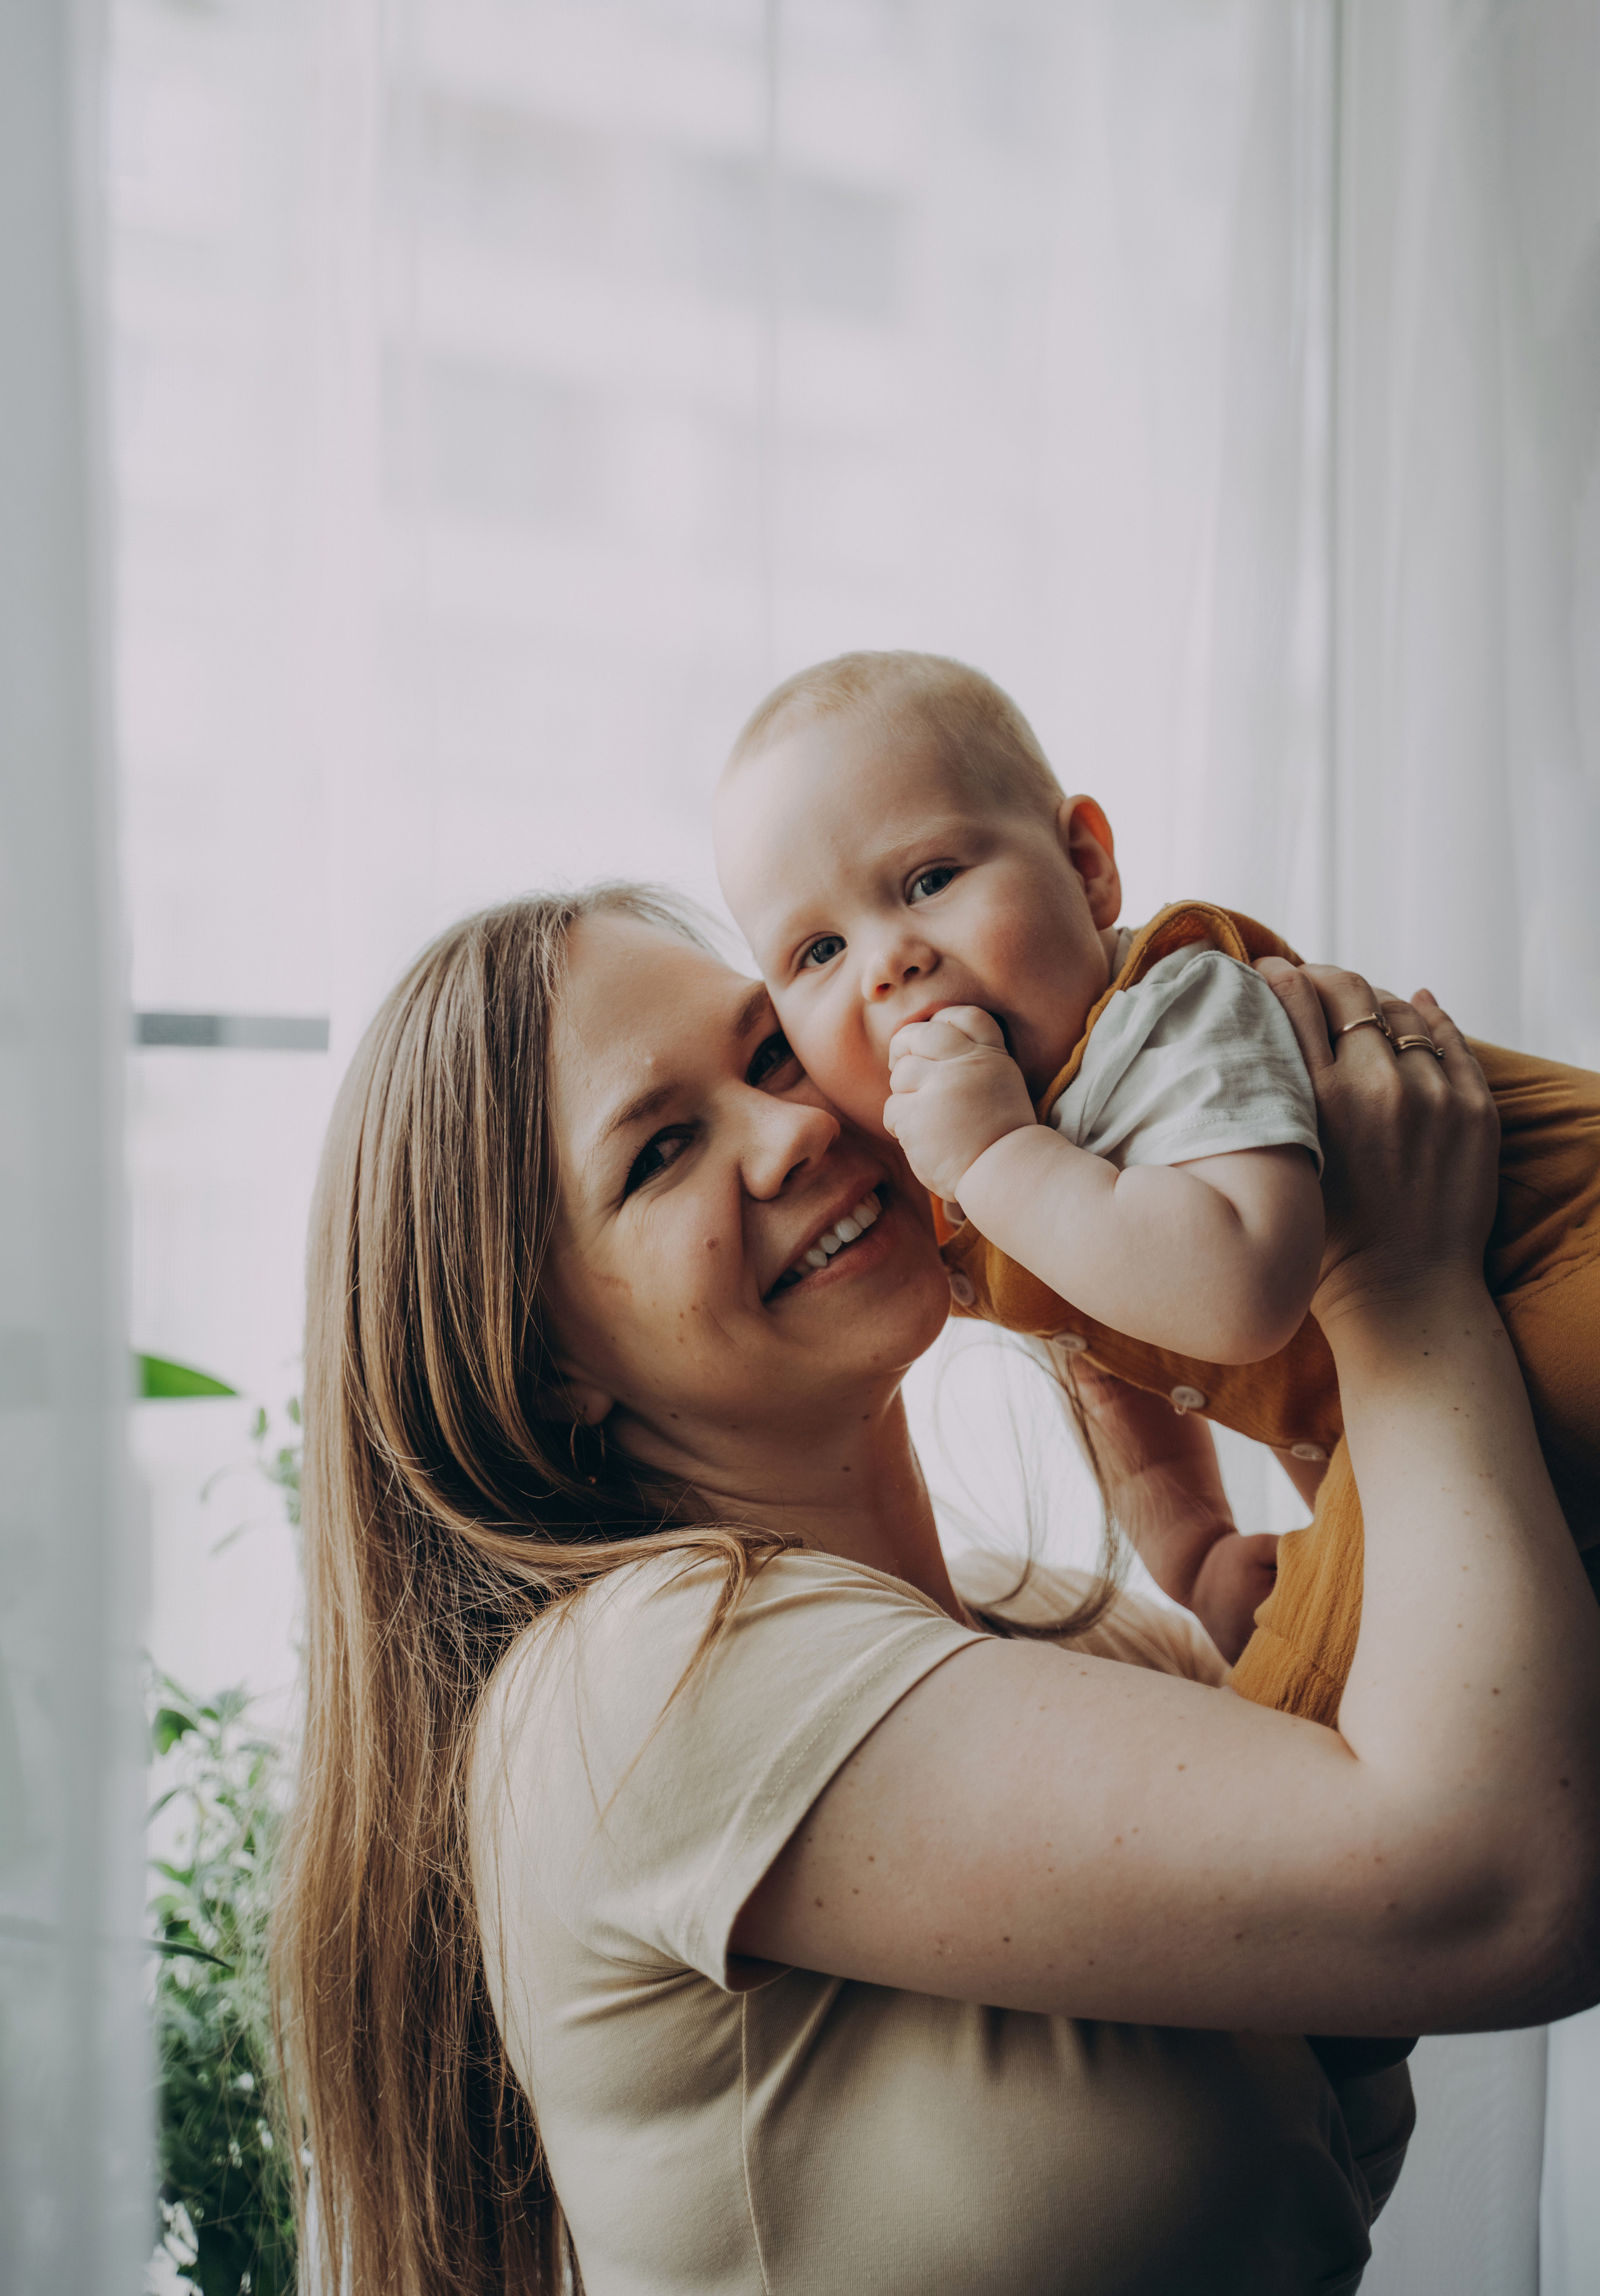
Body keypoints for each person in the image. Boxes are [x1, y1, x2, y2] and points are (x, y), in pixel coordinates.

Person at [272, 880, 1600, 2295]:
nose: (791, 1130)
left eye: (772, 1053)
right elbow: (1503, 1887)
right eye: (659, 1151)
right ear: (548, 1370)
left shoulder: (1100, 1639)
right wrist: (1394, 1286)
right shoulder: (632, 1679)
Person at [713, 649, 1600, 1712]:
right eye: (818, 952)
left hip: (1565, 1281)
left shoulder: (1174, 1008)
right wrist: (1196, 1550)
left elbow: (1237, 1285)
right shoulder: (987, 1170)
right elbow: (1103, 1346)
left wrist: (997, 1158)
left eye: (931, 881)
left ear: (1087, 867)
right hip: (1456, 1375)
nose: (887, 963)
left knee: (1302, 1706)